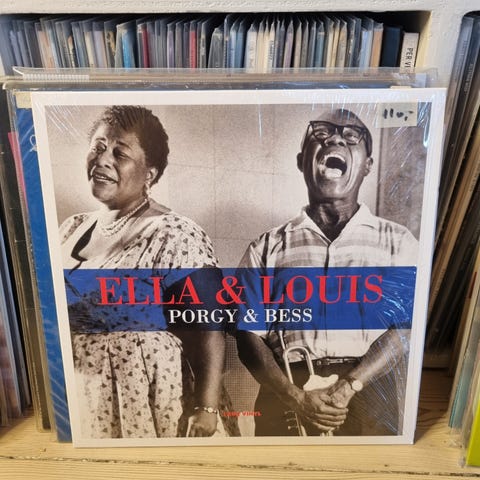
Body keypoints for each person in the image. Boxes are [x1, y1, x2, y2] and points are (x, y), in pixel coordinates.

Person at [235, 108, 418, 436]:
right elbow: (248, 336)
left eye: (351, 136)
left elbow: (406, 329)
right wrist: (294, 397)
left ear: (367, 165)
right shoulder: (265, 246)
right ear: (301, 160)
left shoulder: (399, 241)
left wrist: (350, 386)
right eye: (320, 134)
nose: (335, 139)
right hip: (286, 396)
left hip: (368, 394)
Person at [60, 105, 238, 439]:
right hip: (88, 397)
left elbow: (210, 327)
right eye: (98, 147)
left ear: (150, 174)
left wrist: (207, 408)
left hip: (150, 399)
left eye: (119, 153)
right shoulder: (71, 228)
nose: (102, 160)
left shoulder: (175, 232)